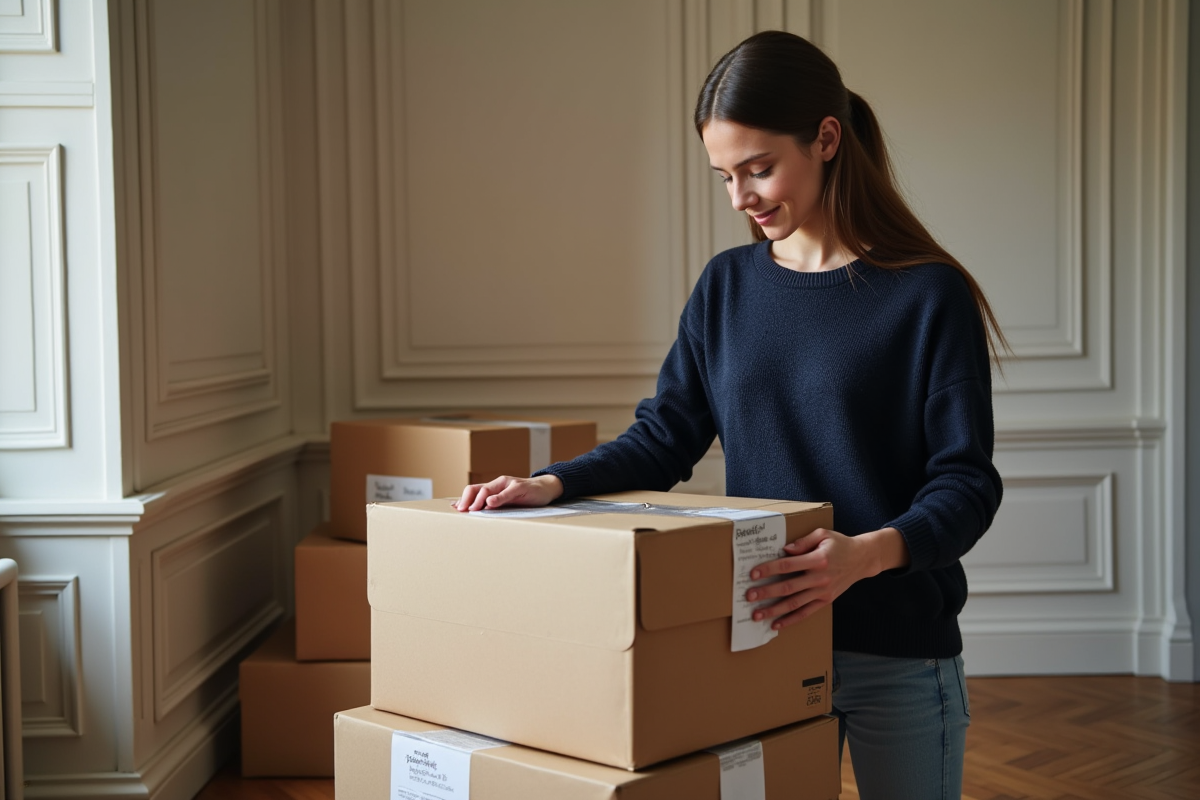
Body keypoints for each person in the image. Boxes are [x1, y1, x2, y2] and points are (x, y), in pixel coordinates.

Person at [455, 30, 1004, 800]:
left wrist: (864, 556)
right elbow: (663, 438)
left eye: (757, 169)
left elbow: (966, 486)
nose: (740, 198)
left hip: (898, 652)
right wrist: (550, 486)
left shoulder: (926, 294)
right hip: (762, 644)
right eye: (724, 176)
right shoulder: (725, 288)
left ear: (825, 138)